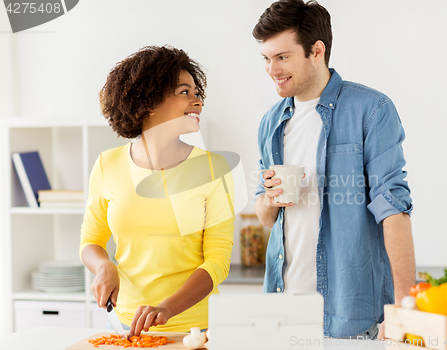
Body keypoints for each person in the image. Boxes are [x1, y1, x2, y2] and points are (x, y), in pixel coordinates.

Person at [253, 0, 415, 340]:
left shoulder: (370, 110)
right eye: (266, 59)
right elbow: (266, 217)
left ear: (316, 50)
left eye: (282, 57)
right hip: (283, 310)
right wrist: (269, 200)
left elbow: (393, 209)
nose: (272, 69)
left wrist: (404, 307)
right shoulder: (271, 123)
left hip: (351, 315)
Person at [80, 45, 235, 336]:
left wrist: (167, 308)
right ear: (149, 102)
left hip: (195, 330)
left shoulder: (214, 168)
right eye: (184, 92)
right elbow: (90, 241)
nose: (197, 101)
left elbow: (217, 261)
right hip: (124, 327)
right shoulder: (107, 164)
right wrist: (103, 266)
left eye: (196, 92)